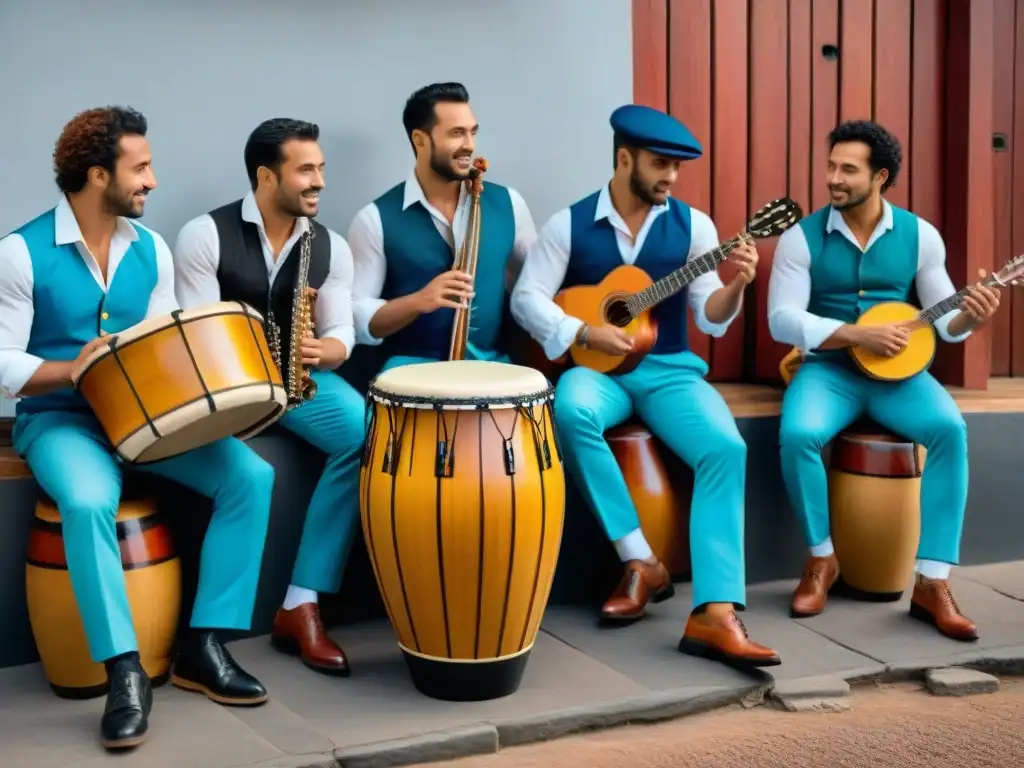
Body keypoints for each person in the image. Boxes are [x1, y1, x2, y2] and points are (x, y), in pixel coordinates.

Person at [0, 107, 273, 751]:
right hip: (60, 425)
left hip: (145, 425)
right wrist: (71, 370)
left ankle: (206, 645)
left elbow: (160, 341)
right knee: (90, 499)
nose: (152, 179)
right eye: (140, 167)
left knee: (250, 477)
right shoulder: (18, 252)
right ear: (99, 174)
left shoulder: (149, 248)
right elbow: (3, 359)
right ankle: (125, 671)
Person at [511, 104, 780, 670]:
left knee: (726, 448)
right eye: (661, 165)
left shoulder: (695, 227)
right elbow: (526, 297)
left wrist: (737, 287)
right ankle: (639, 560)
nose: (671, 178)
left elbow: (709, 314)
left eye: (677, 168)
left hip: (670, 370)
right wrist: (582, 329)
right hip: (598, 372)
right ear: (624, 158)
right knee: (571, 410)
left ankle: (716, 612)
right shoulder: (568, 224)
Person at [767, 119, 1001, 640]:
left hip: (900, 376)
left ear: (881, 178)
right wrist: (854, 335)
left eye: (848, 170)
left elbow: (946, 321)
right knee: (800, 435)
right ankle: (821, 559)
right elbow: (781, 319)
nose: (833, 178)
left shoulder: (921, 236)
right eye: (830, 166)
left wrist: (972, 317)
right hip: (828, 372)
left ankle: (932, 581)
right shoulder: (799, 239)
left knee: (949, 430)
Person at [173, 118, 363, 676]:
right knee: (246, 475)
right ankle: (213, 637)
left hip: (302, 383)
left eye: (321, 169)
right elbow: (201, 341)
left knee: (367, 432)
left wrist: (326, 351)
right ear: (265, 175)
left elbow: (344, 334)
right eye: (306, 170)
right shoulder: (204, 235)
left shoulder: (330, 246)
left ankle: (301, 601)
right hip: (229, 386)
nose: (319, 182)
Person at [348, 82, 537, 372]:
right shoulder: (374, 219)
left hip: (493, 367)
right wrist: (419, 300)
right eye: (456, 133)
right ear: (420, 140)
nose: (469, 145)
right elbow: (357, 317)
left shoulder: (509, 204)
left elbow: (537, 284)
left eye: (472, 132)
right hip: (411, 370)